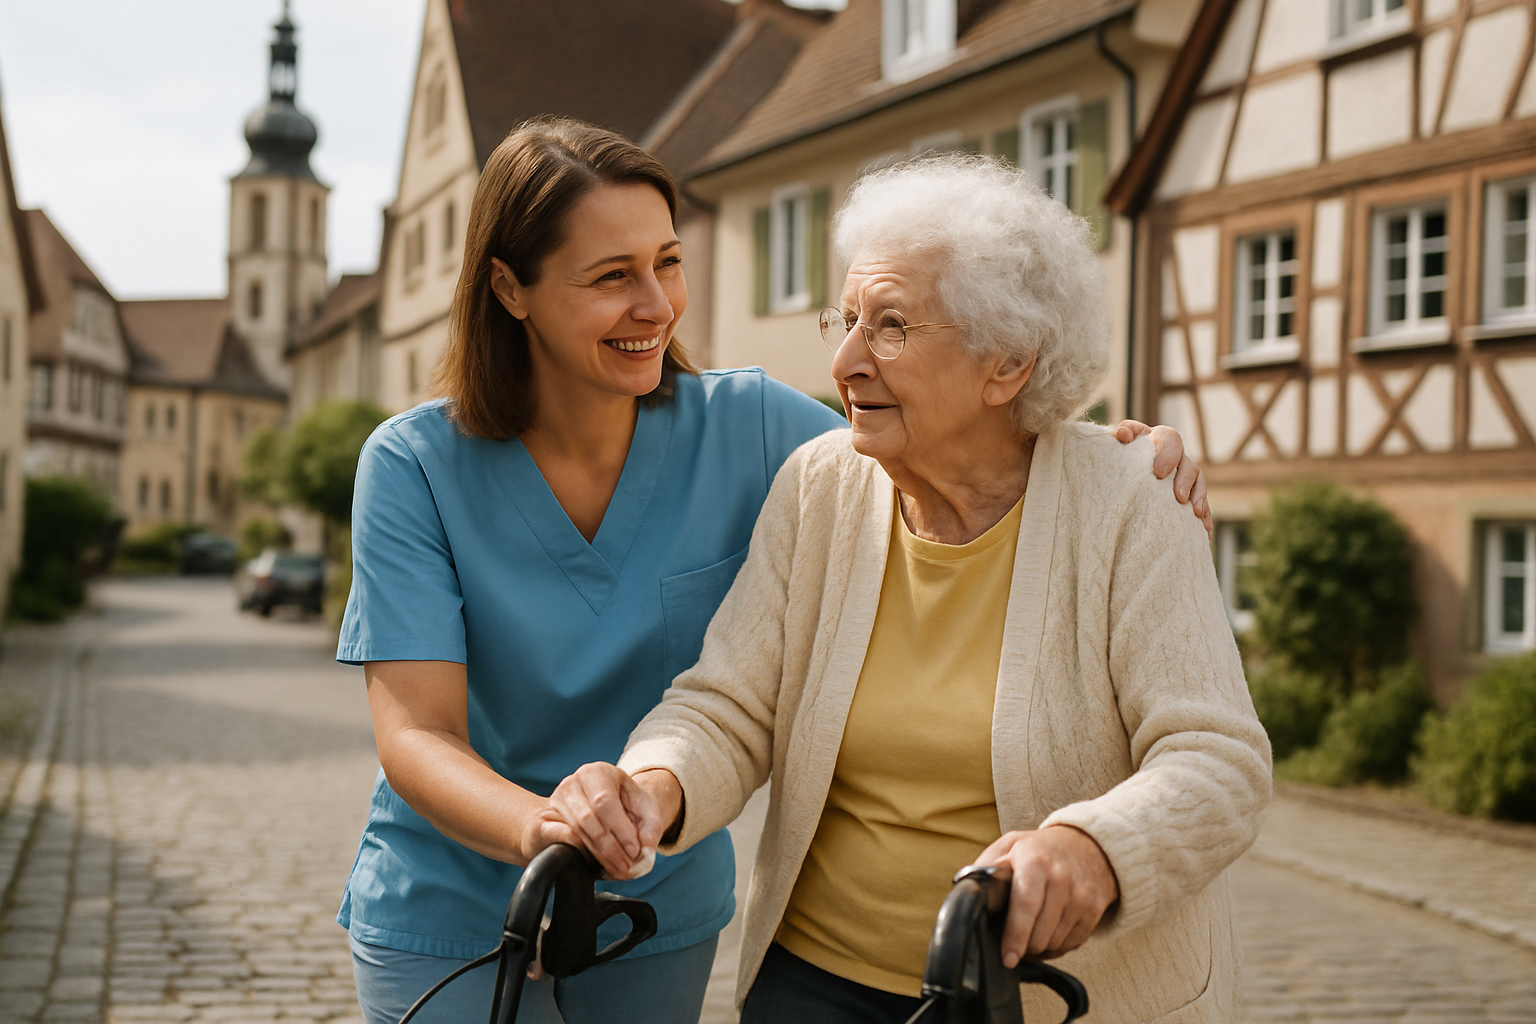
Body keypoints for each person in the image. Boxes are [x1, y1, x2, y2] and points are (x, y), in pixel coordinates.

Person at [339, 120, 1211, 1024]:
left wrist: (1111, 450)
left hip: (649, 901)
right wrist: (549, 829)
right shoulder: (412, 466)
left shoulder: (751, 427)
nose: (657, 305)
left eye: (667, 262)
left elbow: (949, 446)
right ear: (509, 288)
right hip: (455, 900)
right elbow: (417, 735)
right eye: (611, 277)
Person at [546, 155, 1272, 1024]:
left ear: (1006, 362)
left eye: (890, 327)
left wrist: (1091, 848)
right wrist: (652, 785)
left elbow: (1216, 759)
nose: (847, 360)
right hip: (816, 978)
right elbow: (728, 704)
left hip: (1040, 993)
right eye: (846, 319)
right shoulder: (821, 483)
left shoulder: (1128, 501)